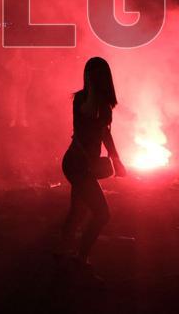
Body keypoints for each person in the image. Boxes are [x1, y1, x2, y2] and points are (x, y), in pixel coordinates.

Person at [58, 57, 127, 279]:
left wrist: (116, 159)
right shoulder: (82, 100)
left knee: (77, 210)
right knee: (102, 214)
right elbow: (80, 132)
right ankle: (79, 258)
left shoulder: (105, 105)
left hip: (82, 164)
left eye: (97, 74)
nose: (94, 78)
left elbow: (105, 133)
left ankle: (63, 255)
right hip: (77, 164)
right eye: (92, 74)